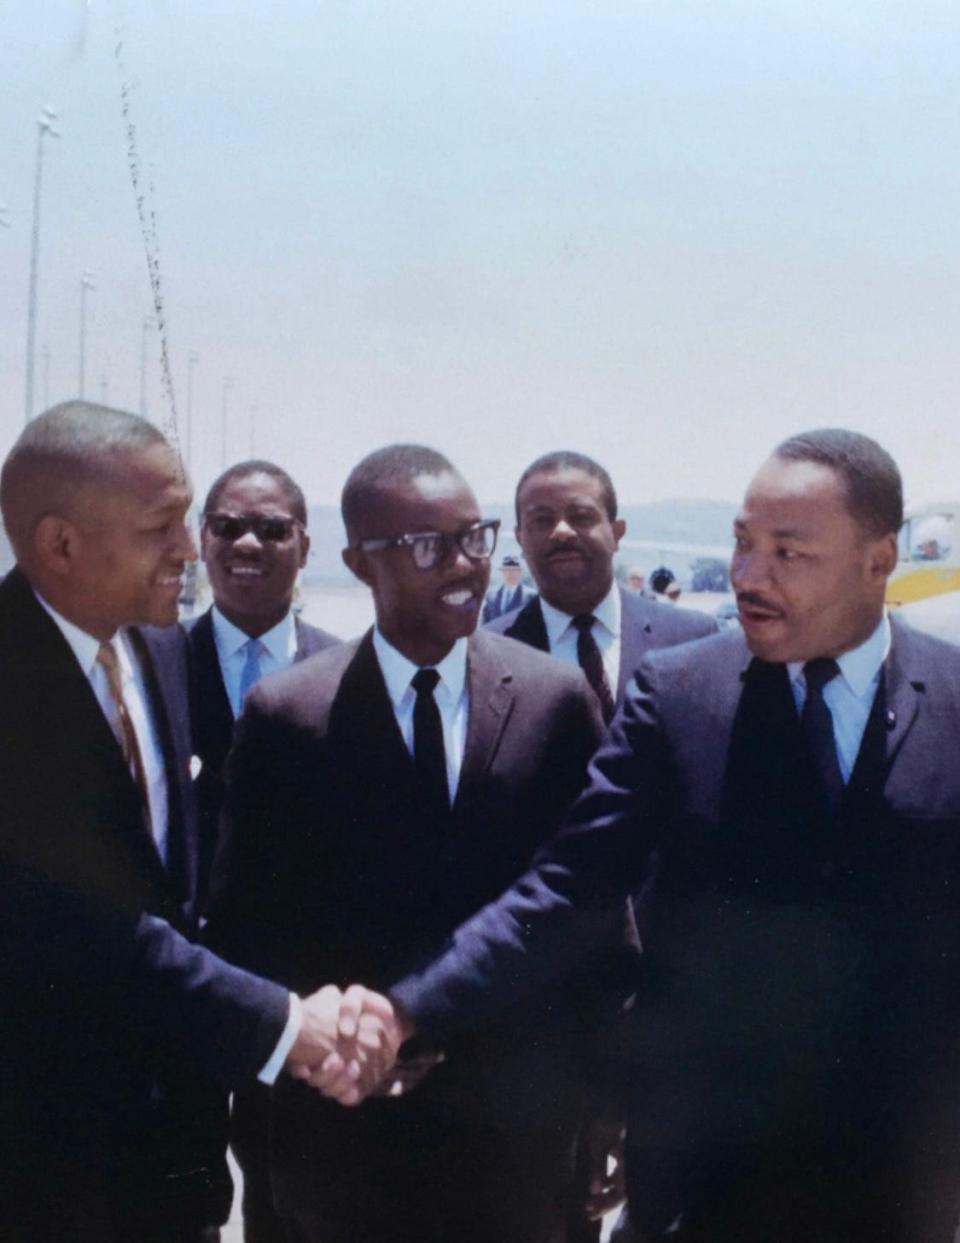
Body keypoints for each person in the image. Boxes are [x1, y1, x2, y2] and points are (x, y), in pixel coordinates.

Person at [373, 428, 960, 1243]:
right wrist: (408, 1007)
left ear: (878, 559)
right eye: (742, 543)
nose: (751, 576)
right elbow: (570, 885)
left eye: (789, 553)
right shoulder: (681, 695)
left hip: (905, 1177)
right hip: (706, 1171)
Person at [206, 443, 635, 1243]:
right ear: (360, 563)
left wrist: (609, 1098)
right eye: (430, 547)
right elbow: (245, 926)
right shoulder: (288, 714)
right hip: (345, 1144)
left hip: (518, 1144)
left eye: (476, 537)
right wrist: (332, 1036)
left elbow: (596, 913)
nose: (466, 564)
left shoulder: (555, 699)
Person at [0, 403, 395, 1243]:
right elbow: (94, 928)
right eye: (163, 527)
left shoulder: (148, 648)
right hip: (40, 1169)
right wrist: (289, 1025)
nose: (192, 550)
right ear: (60, 543)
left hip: (169, 1168)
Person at [187, 459, 339, 1243]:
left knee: (288, 1205)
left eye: (272, 528)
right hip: (171, 989)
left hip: (293, 997)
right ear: (200, 539)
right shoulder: (147, 665)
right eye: (228, 525)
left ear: (305, 545)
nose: (249, 541)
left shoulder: (350, 675)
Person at [487, 451, 715, 720]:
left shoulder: (691, 639)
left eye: (581, 517)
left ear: (617, 533)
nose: (561, 531)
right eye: (542, 520)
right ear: (520, 539)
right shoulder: (489, 658)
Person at [481, 552, 534, 622]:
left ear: (520, 572)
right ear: (502, 572)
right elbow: (485, 622)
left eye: (514, 571)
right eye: (507, 570)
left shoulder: (531, 596)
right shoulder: (491, 595)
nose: (510, 574)